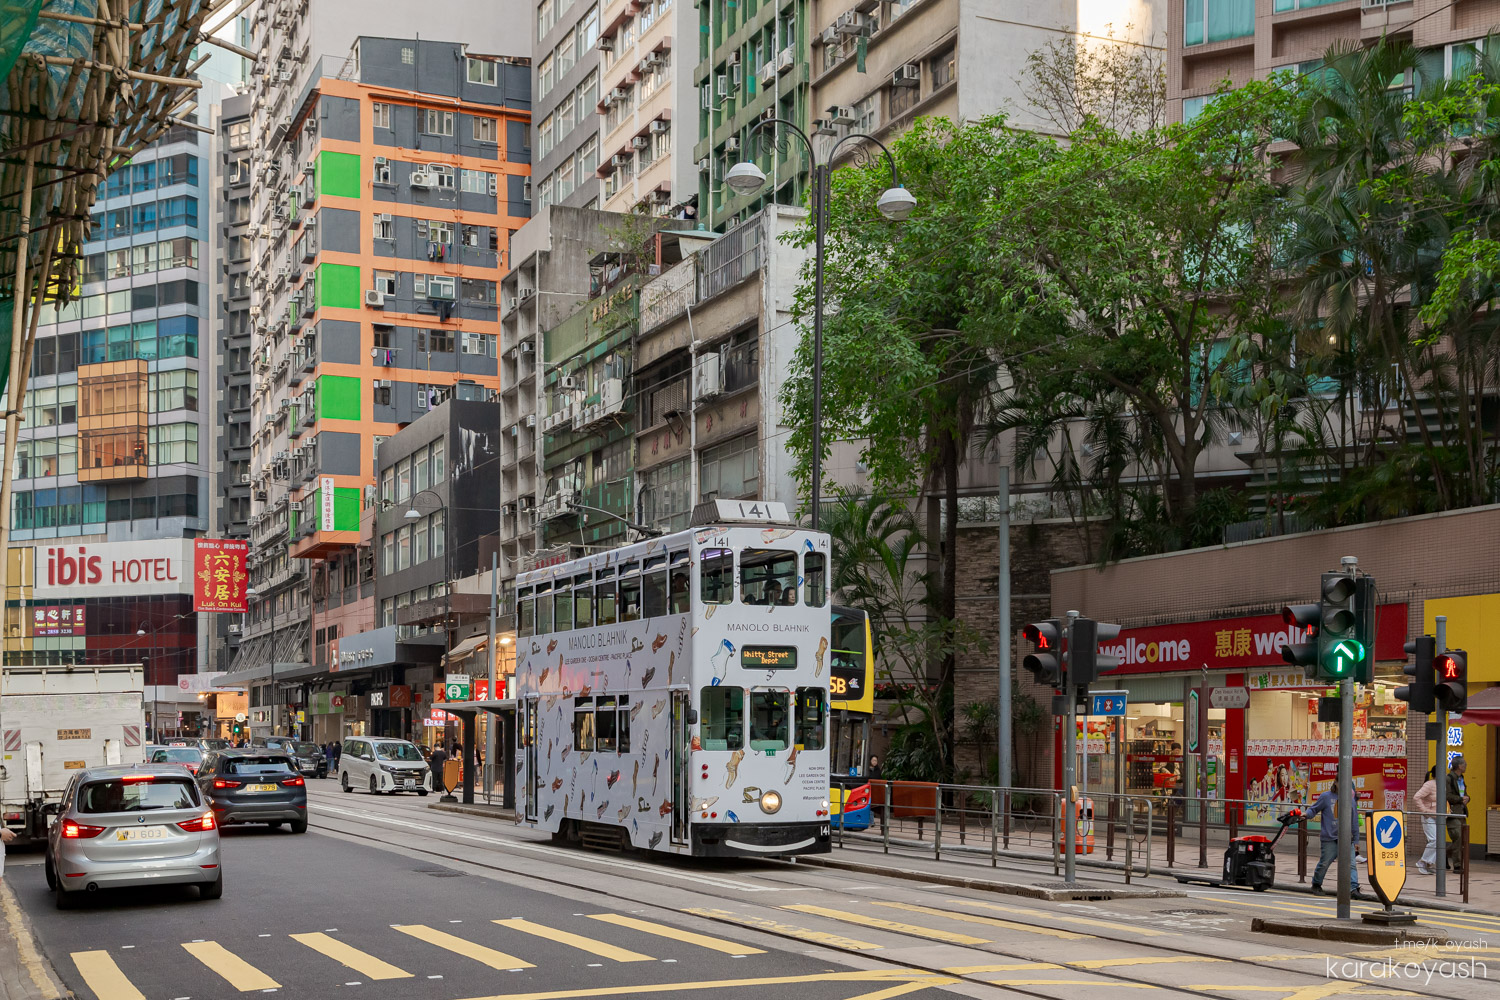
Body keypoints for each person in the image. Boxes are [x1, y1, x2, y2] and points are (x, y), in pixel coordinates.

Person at [1306, 785, 1365, 897]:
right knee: (1324, 863)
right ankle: (1316, 884)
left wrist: (1356, 840)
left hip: (1346, 838)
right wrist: (1305, 815)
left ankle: (1353, 888)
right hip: (1329, 837)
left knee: (1351, 864)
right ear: (1336, 782)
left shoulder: (1350, 799)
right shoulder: (1326, 797)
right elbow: (1314, 809)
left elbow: (1354, 821)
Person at [1413, 766, 1440, 874]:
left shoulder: (1443, 785)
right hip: (1429, 816)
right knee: (1434, 840)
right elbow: (1416, 797)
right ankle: (1423, 861)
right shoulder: (1429, 784)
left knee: (1438, 840)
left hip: (1439, 816)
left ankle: (1429, 863)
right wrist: (1424, 810)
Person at [1446, 755, 1470, 872]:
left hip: (1461, 811)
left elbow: (1463, 793)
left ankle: (1443, 854)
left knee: (1463, 839)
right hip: (1452, 813)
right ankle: (1457, 865)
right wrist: (1461, 799)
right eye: (1464, 764)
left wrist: (1467, 798)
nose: (1466, 766)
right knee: (1458, 837)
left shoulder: (1461, 779)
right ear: (1459, 766)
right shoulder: (1449, 779)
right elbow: (1446, 796)